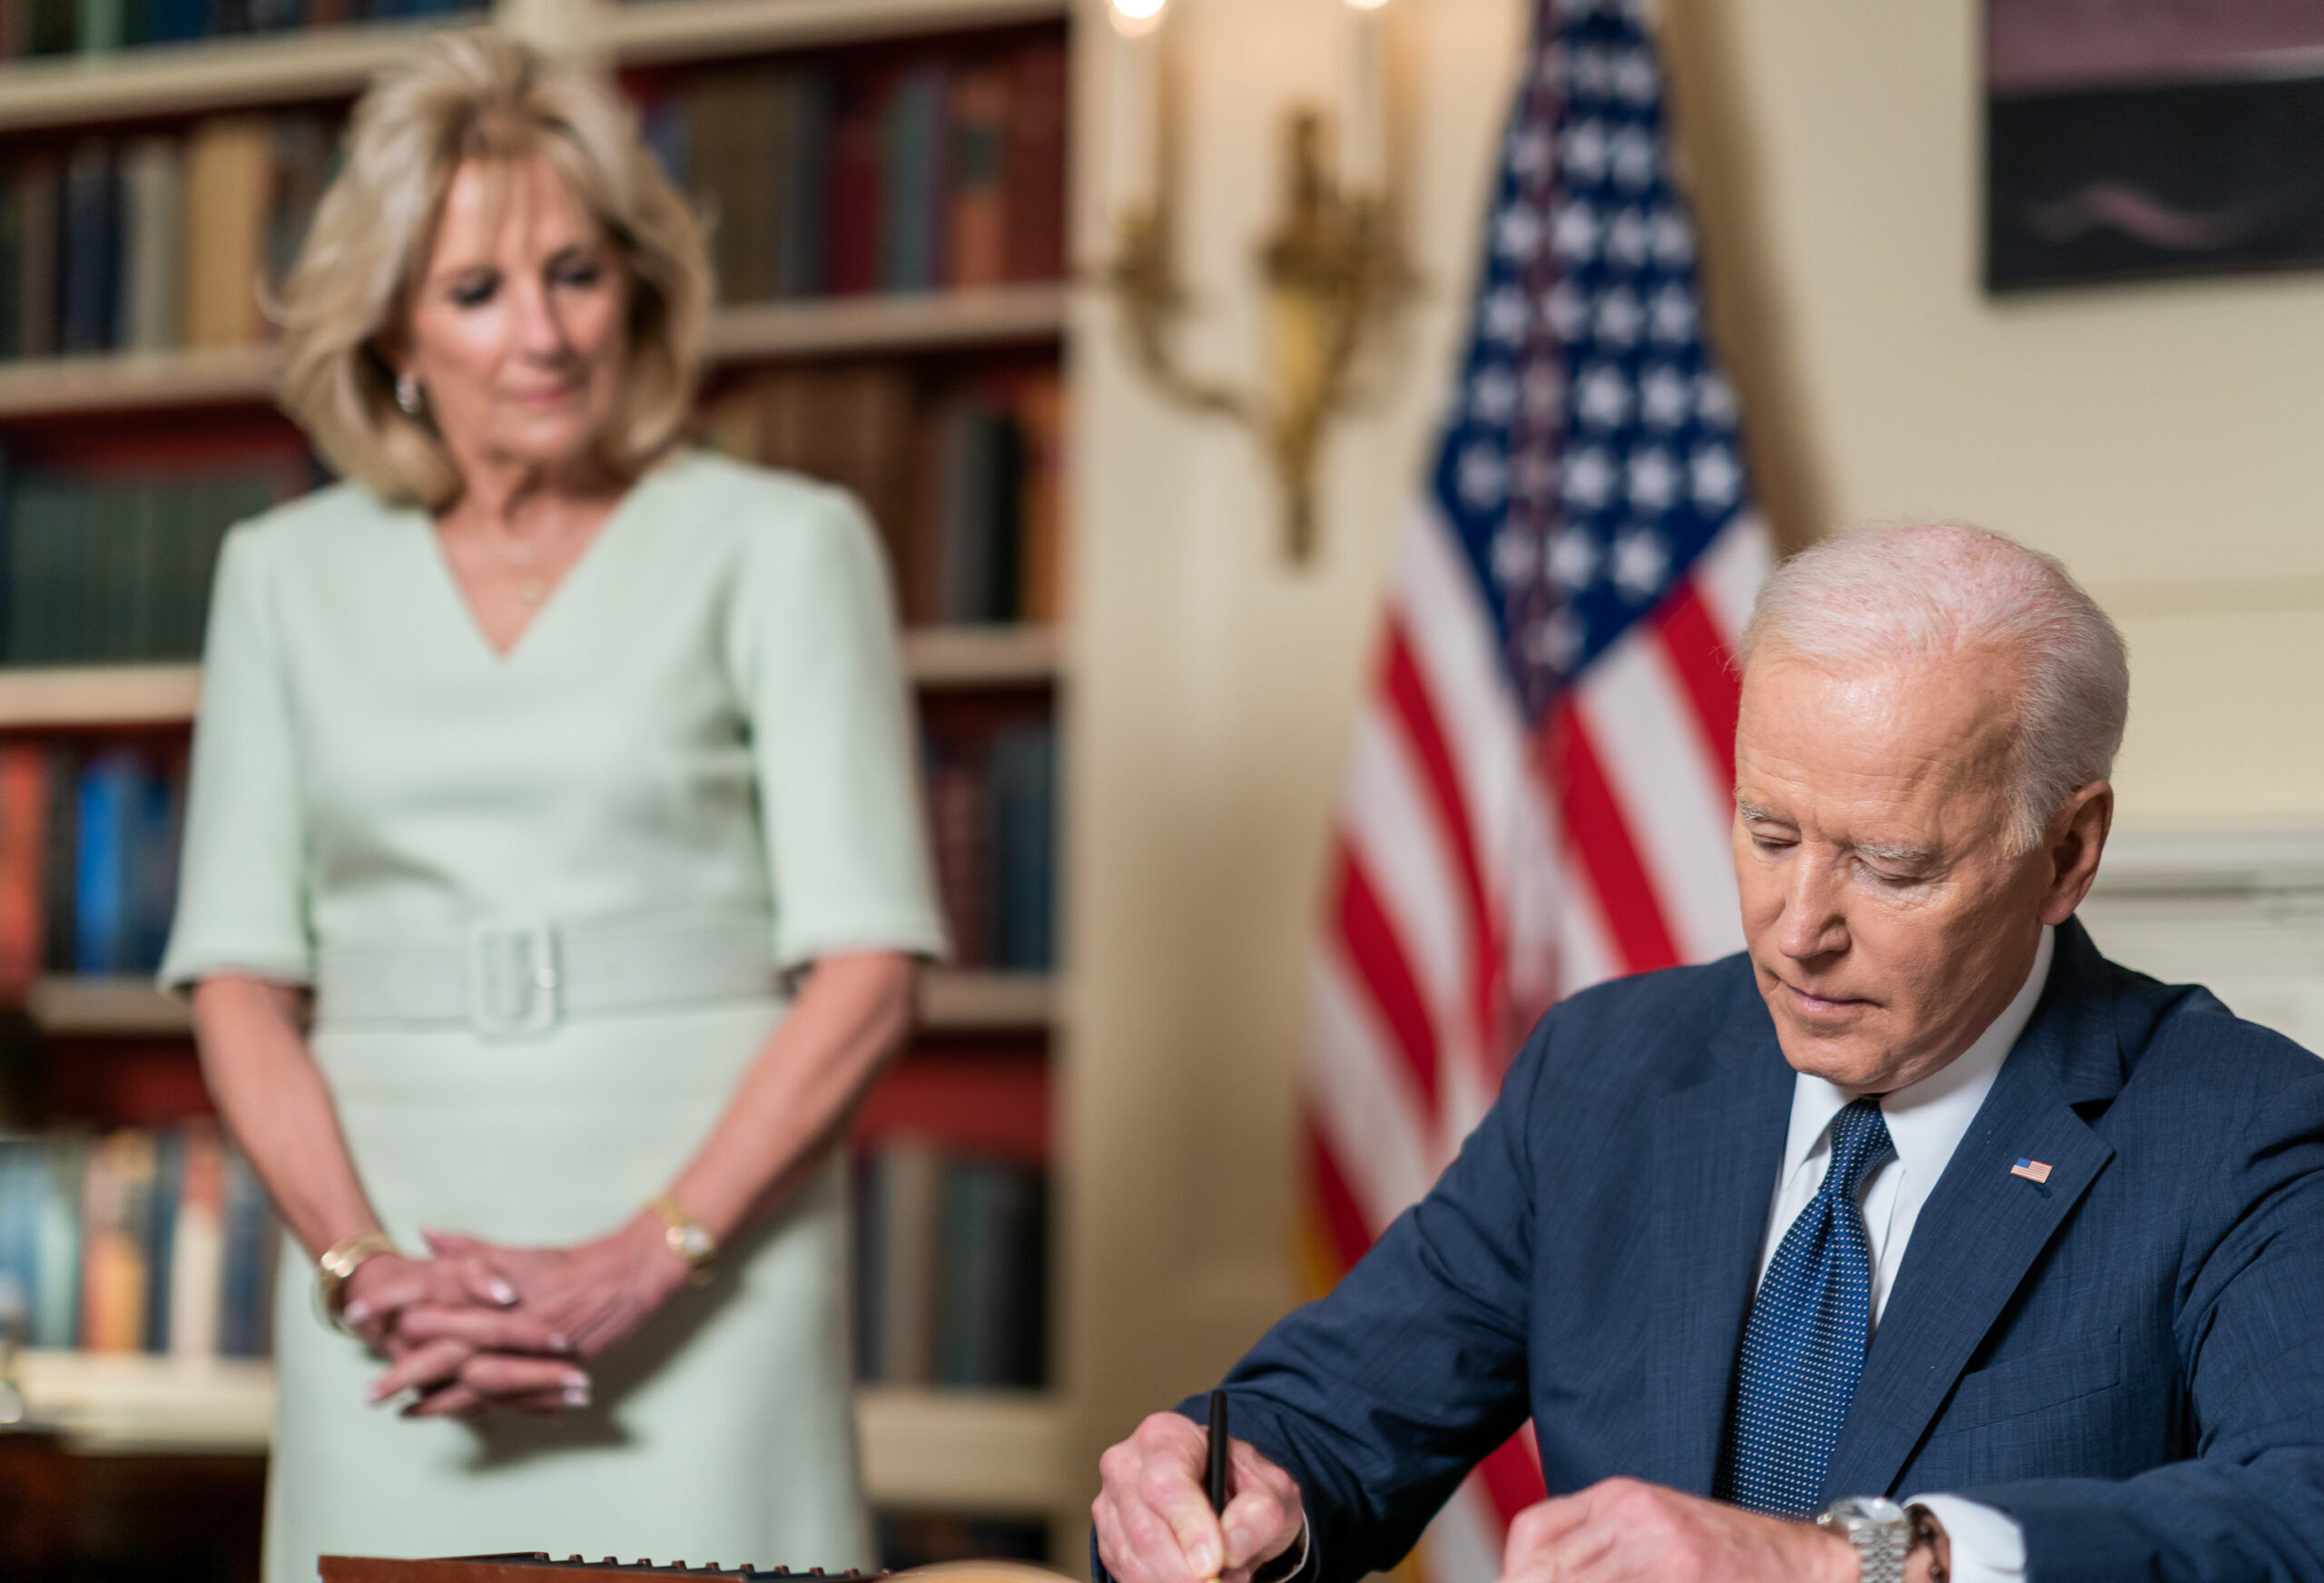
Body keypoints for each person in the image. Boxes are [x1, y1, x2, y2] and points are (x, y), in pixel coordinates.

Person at [1092, 523, 2324, 1583]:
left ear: (2065, 855)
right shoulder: (1605, 1073)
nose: (1799, 930)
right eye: (1768, 831)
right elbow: (1329, 1415)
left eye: (1891, 867)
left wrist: (1855, 1560)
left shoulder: (2239, 1128)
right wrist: (1235, 1483)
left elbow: (2301, 1513)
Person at [159, 28, 944, 1583]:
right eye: (477, 291)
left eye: (577, 274)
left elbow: (871, 972)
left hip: (714, 1273)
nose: (544, 333)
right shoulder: (280, 578)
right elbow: (239, 978)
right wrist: (360, 1266)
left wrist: (642, 1263)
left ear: (636, 290)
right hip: (388, 1295)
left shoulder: (785, 545)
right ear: (395, 332)